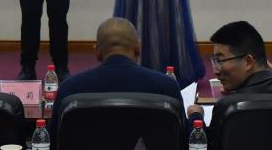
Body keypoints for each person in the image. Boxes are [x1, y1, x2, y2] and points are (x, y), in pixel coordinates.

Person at [51, 17, 181, 139]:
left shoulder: (69, 89)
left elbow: (52, 145)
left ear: (97, 52)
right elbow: (184, 144)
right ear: (138, 48)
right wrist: (192, 115)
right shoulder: (166, 87)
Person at [186, 20, 272, 119]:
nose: (215, 71)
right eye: (215, 61)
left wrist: (196, 115)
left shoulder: (228, 106)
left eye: (220, 61)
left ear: (248, 62)